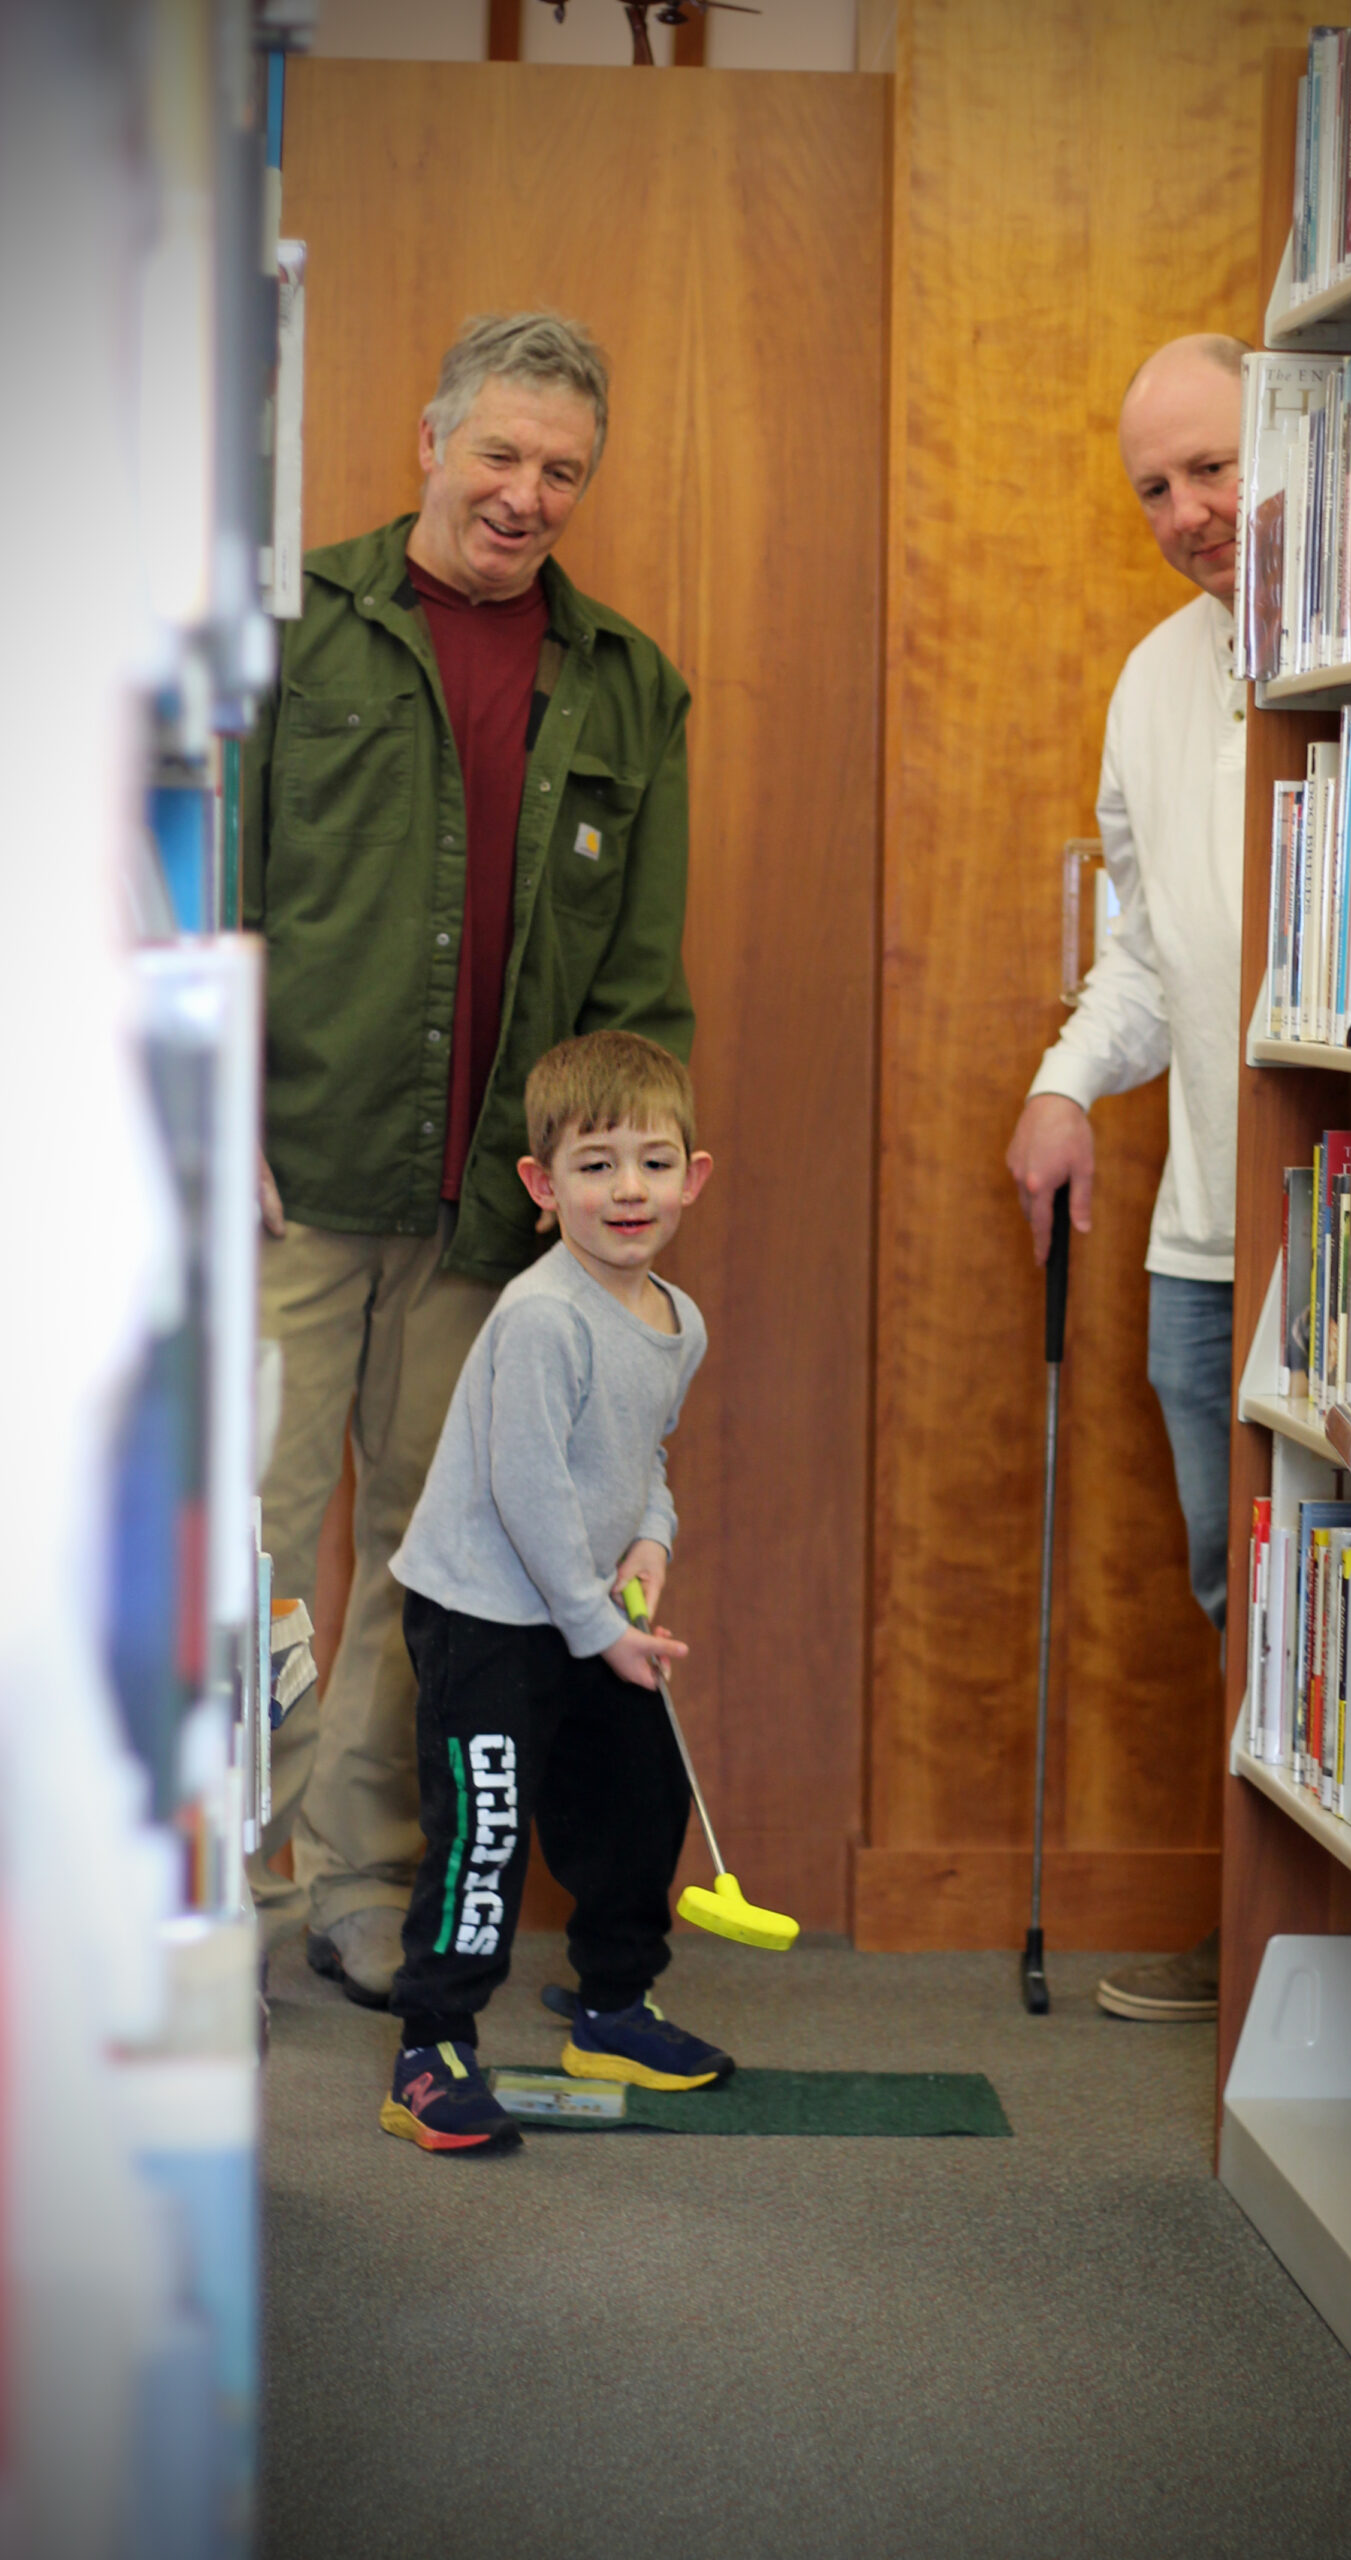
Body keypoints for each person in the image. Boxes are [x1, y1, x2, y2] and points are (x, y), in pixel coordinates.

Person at [244, 312, 694, 2008]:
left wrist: (621, 1208)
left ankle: (361, 1889)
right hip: (288, 1183)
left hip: (488, 1229)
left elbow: (640, 983)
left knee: (422, 1580)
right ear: (429, 440)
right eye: (497, 454)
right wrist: (207, 1108)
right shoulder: (288, 624)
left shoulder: (629, 685)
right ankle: (216, 1892)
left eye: (561, 469)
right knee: (254, 1557)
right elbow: (209, 877)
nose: (524, 495)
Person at [1004, 332, 1248, 2026]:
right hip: (1200, 1248)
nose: (1187, 511)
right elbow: (1147, 963)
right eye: (1155, 487)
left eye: (1214, 467)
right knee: (1245, 1601)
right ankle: (1263, 1942)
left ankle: (1337, 1949)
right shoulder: (1156, 674)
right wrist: (1061, 1086)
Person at [380, 1029, 720, 2154]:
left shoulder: (679, 1319)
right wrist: (594, 1624)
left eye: (654, 1162)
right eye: (595, 1163)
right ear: (541, 1184)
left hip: (586, 1603)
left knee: (638, 1801)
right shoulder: (541, 1316)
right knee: (484, 1834)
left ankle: (614, 2011)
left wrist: (652, 1549)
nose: (629, 1189)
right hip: (487, 1609)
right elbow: (527, 1490)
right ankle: (432, 2045)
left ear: (693, 1177)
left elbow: (643, 1460)